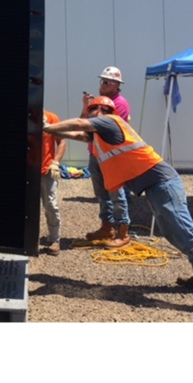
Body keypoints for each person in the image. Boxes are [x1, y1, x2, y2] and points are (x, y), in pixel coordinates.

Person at [45, 96, 193, 319]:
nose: (90, 113)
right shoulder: (100, 136)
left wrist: (47, 126)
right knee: (173, 235)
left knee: (189, 236)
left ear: (102, 110)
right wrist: (47, 131)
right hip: (155, 188)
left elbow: (79, 125)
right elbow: (76, 134)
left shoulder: (110, 122)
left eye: (93, 109)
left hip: (163, 185)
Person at [80, 66, 133, 249]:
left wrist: (90, 118)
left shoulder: (120, 104)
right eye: (102, 81)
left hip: (111, 156)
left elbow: (102, 127)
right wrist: (86, 107)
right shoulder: (99, 102)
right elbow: (84, 124)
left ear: (117, 85)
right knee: (102, 193)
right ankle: (107, 227)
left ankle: (123, 233)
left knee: (116, 193)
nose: (102, 84)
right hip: (95, 153)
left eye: (107, 82)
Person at [39, 110, 67, 256]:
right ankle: (24, 240)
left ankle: (54, 238)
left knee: (50, 204)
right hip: (27, 171)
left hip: (46, 170)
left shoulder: (51, 118)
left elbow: (61, 141)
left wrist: (55, 162)